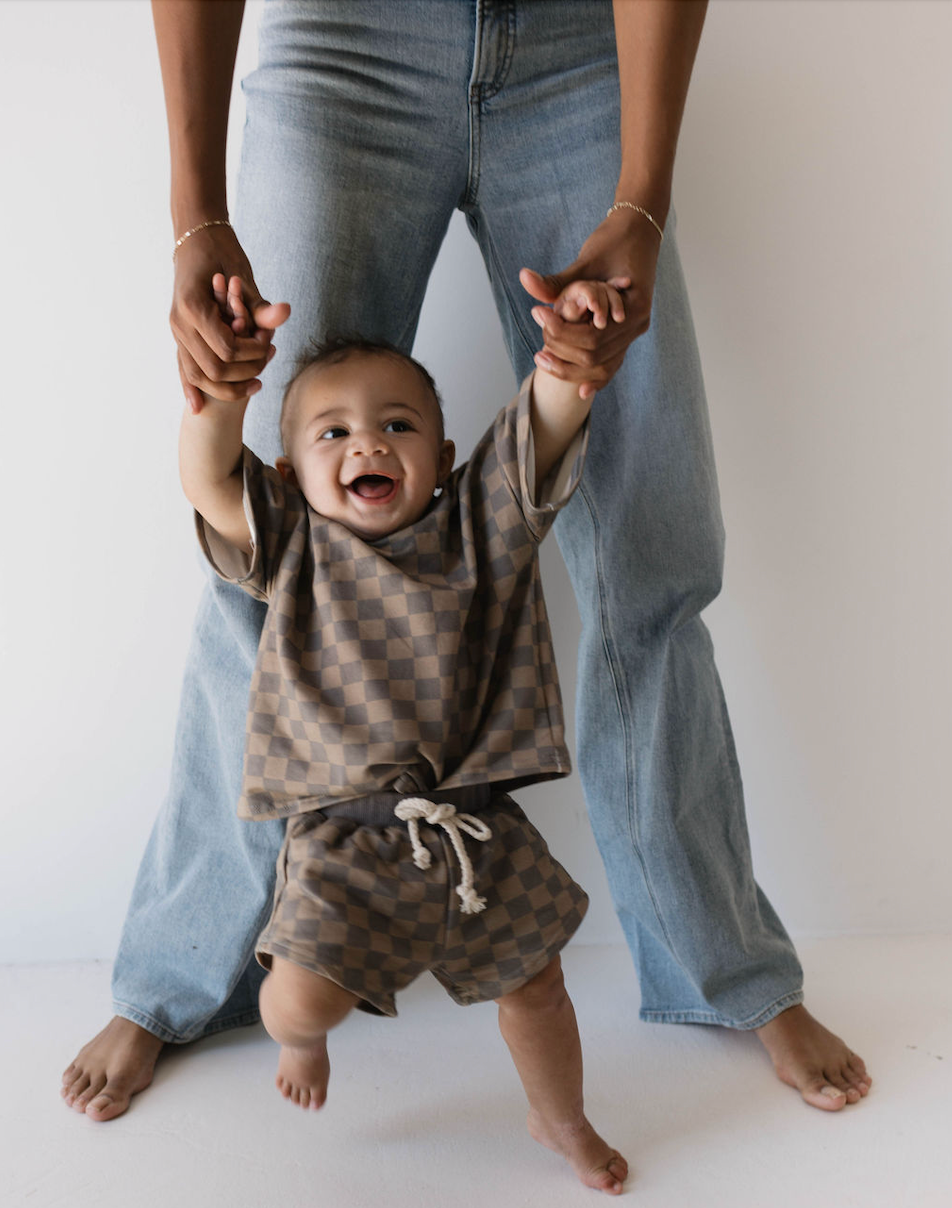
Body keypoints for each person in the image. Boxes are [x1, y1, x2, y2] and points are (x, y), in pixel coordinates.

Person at [63, 0, 871, 1122]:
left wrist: (642, 193)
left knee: (652, 558)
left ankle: (719, 969)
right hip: (344, 46)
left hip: (581, 51)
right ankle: (181, 979)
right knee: (270, 559)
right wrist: (195, 210)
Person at [177, 270, 628, 1193]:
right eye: (332, 432)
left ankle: (560, 1118)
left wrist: (569, 356)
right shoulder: (292, 541)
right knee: (295, 999)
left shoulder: (477, 525)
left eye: (397, 424)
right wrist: (223, 397)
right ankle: (302, 1043)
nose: (367, 443)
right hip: (346, 838)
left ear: (443, 452)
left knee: (538, 988)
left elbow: (542, 425)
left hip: (476, 834)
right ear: (290, 472)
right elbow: (208, 476)